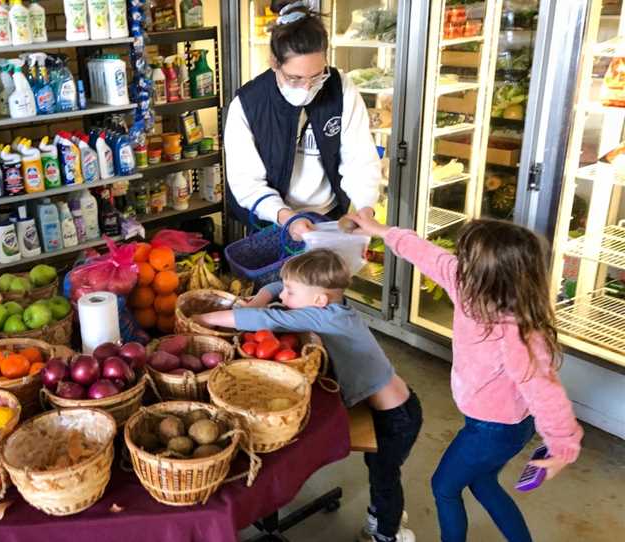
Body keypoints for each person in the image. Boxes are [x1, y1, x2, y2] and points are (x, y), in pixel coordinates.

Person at [345, 213, 583, 542]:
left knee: (443, 488)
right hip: (493, 423)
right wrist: (379, 230)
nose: (459, 262)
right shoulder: (466, 284)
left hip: (497, 429)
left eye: (467, 259)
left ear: (490, 278)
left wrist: (562, 447)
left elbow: (545, 391)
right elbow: (424, 252)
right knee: (483, 483)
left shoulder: (516, 329)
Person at [194, 249, 421, 542]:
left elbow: (267, 318)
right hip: (390, 407)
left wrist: (208, 317)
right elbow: (276, 288)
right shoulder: (332, 306)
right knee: (381, 473)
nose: (284, 297)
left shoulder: (325, 319)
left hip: (397, 416)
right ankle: (385, 513)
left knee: (384, 476)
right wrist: (266, 293)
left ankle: (388, 533)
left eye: (291, 292)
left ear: (319, 301)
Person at [224, 0, 382, 240]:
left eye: (317, 76)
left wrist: (364, 208)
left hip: (329, 217)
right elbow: (246, 182)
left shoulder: (340, 89)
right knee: (282, 279)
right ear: (274, 63)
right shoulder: (248, 104)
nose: (307, 87)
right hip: (274, 220)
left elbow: (360, 159)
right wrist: (287, 217)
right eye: (294, 78)